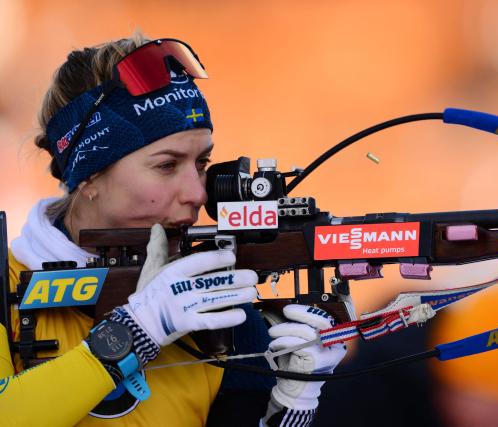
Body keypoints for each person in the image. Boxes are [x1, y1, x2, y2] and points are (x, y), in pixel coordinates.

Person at [0, 34, 346, 426]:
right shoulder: (7, 286)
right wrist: (136, 331)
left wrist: (289, 405)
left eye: (201, 163)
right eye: (167, 165)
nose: (198, 193)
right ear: (90, 175)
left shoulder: (221, 314)